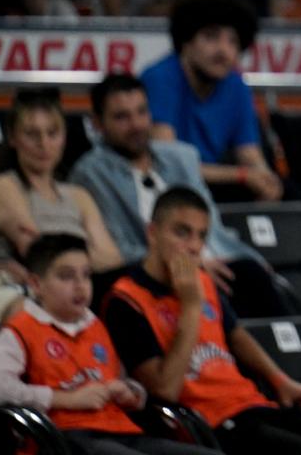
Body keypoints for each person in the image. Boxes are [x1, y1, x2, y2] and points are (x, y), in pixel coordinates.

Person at [103, 189, 301, 455]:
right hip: (211, 424)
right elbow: (164, 390)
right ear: (152, 233)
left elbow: (236, 335)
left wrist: (280, 380)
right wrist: (191, 307)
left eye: (201, 236)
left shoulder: (203, 281)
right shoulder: (126, 301)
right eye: (182, 233)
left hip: (251, 405)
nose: (193, 247)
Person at [0, 234, 215, 455]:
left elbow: (121, 380)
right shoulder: (20, 328)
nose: (80, 285)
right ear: (36, 284)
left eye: (86, 275)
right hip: (66, 437)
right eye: (66, 276)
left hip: (120, 429)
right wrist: (66, 399)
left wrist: (130, 392)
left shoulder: (95, 325)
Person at [71, 74, 285, 319]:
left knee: (253, 274)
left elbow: (215, 229)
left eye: (142, 112)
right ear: (98, 123)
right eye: (122, 117)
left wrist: (251, 258)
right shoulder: (91, 173)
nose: (136, 124)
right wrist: (185, 264)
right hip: (159, 274)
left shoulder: (181, 157)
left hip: (215, 261)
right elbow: (122, 249)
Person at [140, 0, 282, 202]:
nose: (223, 50)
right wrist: (243, 175)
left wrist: (267, 181)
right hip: (166, 189)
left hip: (214, 186)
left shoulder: (237, 86)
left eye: (232, 42)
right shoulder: (160, 78)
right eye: (211, 37)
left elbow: (251, 155)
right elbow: (168, 164)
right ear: (186, 42)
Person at [0, 89, 123, 274]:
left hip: (81, 293)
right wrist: (88, 256)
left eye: (52, 133)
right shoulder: (4, 186)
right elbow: (39, 253)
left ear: (64, 137)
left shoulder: (79, 195)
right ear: (13, 138)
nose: (44, 143)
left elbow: (113, 259)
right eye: (32, 134)